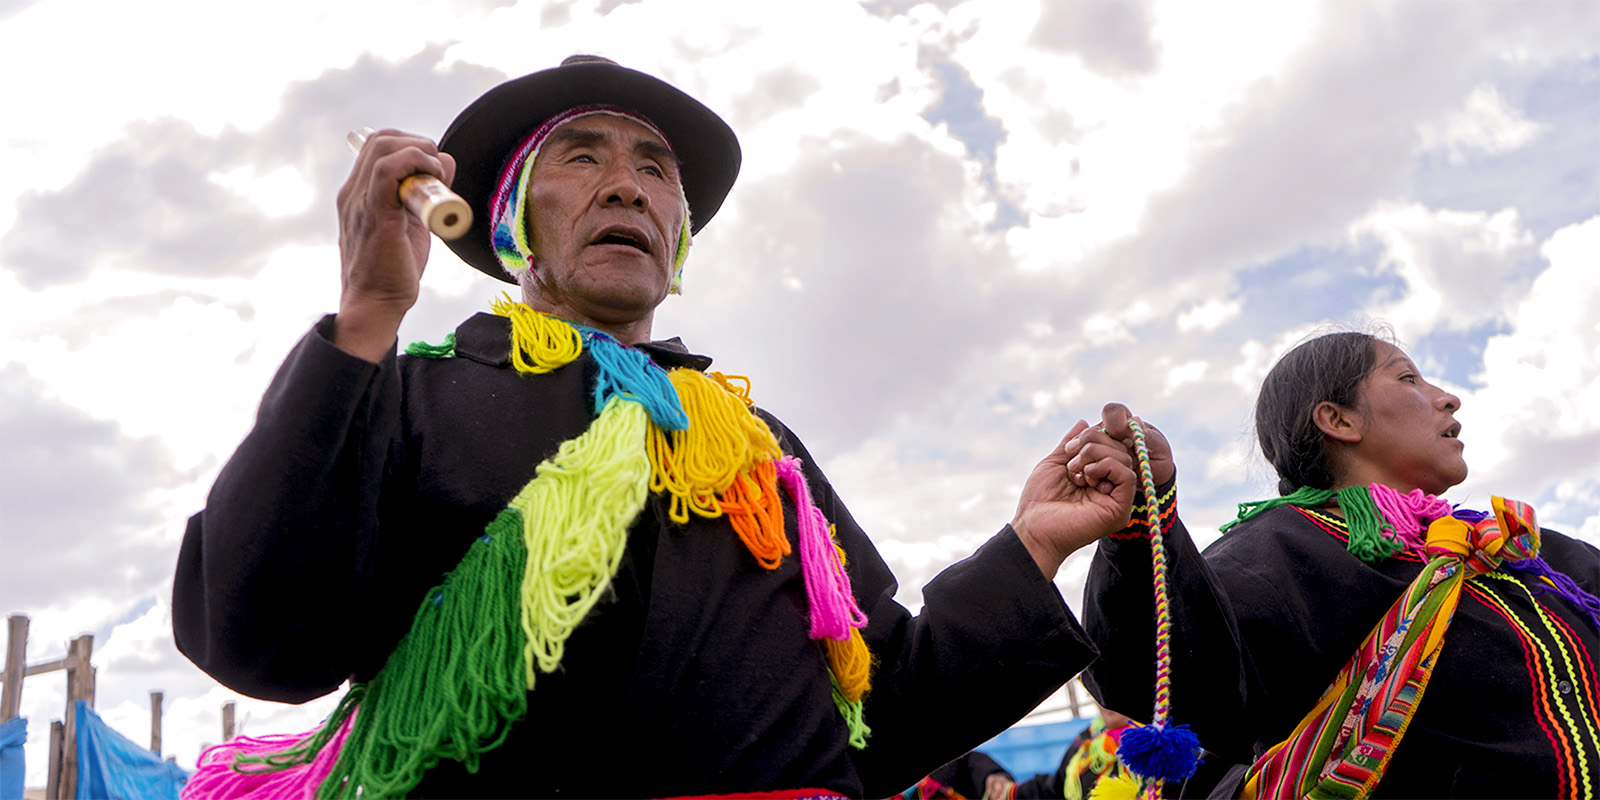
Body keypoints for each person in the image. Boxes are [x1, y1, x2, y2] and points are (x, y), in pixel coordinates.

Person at [172, 55, 1149, 798]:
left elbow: (882, 716)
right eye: (581, 157)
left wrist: (1032, 545)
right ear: (509, 221)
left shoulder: (756, 444)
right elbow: (262, 642)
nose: (628, 185)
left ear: (677, 236)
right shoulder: (405, 395)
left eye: (654, 169)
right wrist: (367, 316)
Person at [1083, 330, 1600, 798]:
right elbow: (1168, 667)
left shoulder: (1527, 554)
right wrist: (1139, 526)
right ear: (1339, 419)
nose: (1448, 397)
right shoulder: (1287, 551)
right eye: (1407, 377)